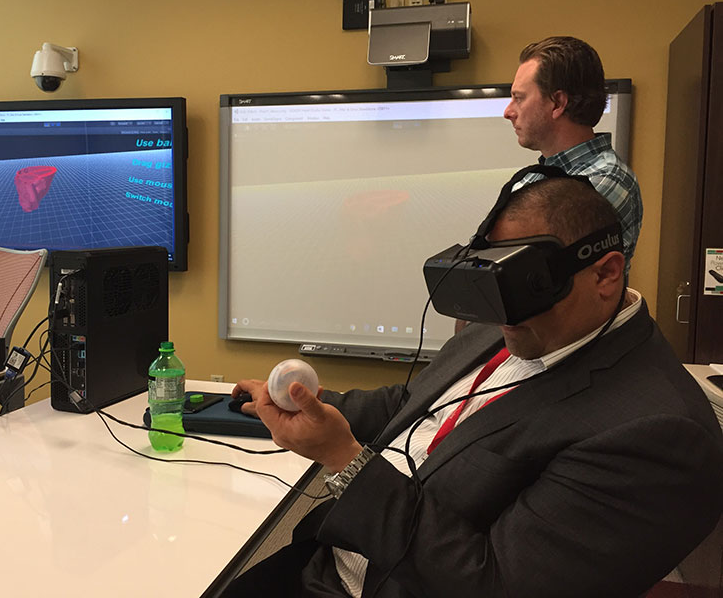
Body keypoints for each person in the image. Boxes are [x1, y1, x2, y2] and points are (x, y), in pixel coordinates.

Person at [224, 174, 723, 598]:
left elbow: (496, 584)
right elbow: (418, 404)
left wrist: (345, 461)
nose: (501, 315)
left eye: (520, 288)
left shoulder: (658, 434)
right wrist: (308, 404)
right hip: (335, 560)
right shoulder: (513, 320)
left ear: (606, 273)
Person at [504, 36, 643, 265]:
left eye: (519, 98)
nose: (508, 112)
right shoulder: (533, 177)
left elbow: (526, 270)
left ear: (557, 103)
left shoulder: (604, 179)